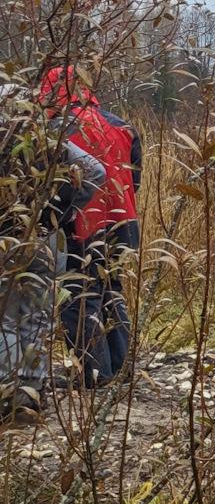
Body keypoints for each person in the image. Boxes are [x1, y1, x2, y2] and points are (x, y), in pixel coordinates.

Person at [0, 82, 104, 413]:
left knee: (6, 320)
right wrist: (61, 212)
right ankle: (29, 396)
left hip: (7, 238)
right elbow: (95, 172)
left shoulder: (4, 141)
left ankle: (9, 398)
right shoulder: (49, 138)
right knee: (35, 318)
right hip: (46, 239)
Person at [38, 69, 139, 386]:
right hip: (125, 221)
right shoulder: (122, 124)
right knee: (111, 288)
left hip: (84, 223)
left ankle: (94, 374)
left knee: (79, 296)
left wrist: (50, 219)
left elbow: (49, 185)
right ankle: (120, 369)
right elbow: (134, 179)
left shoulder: (54, 130)